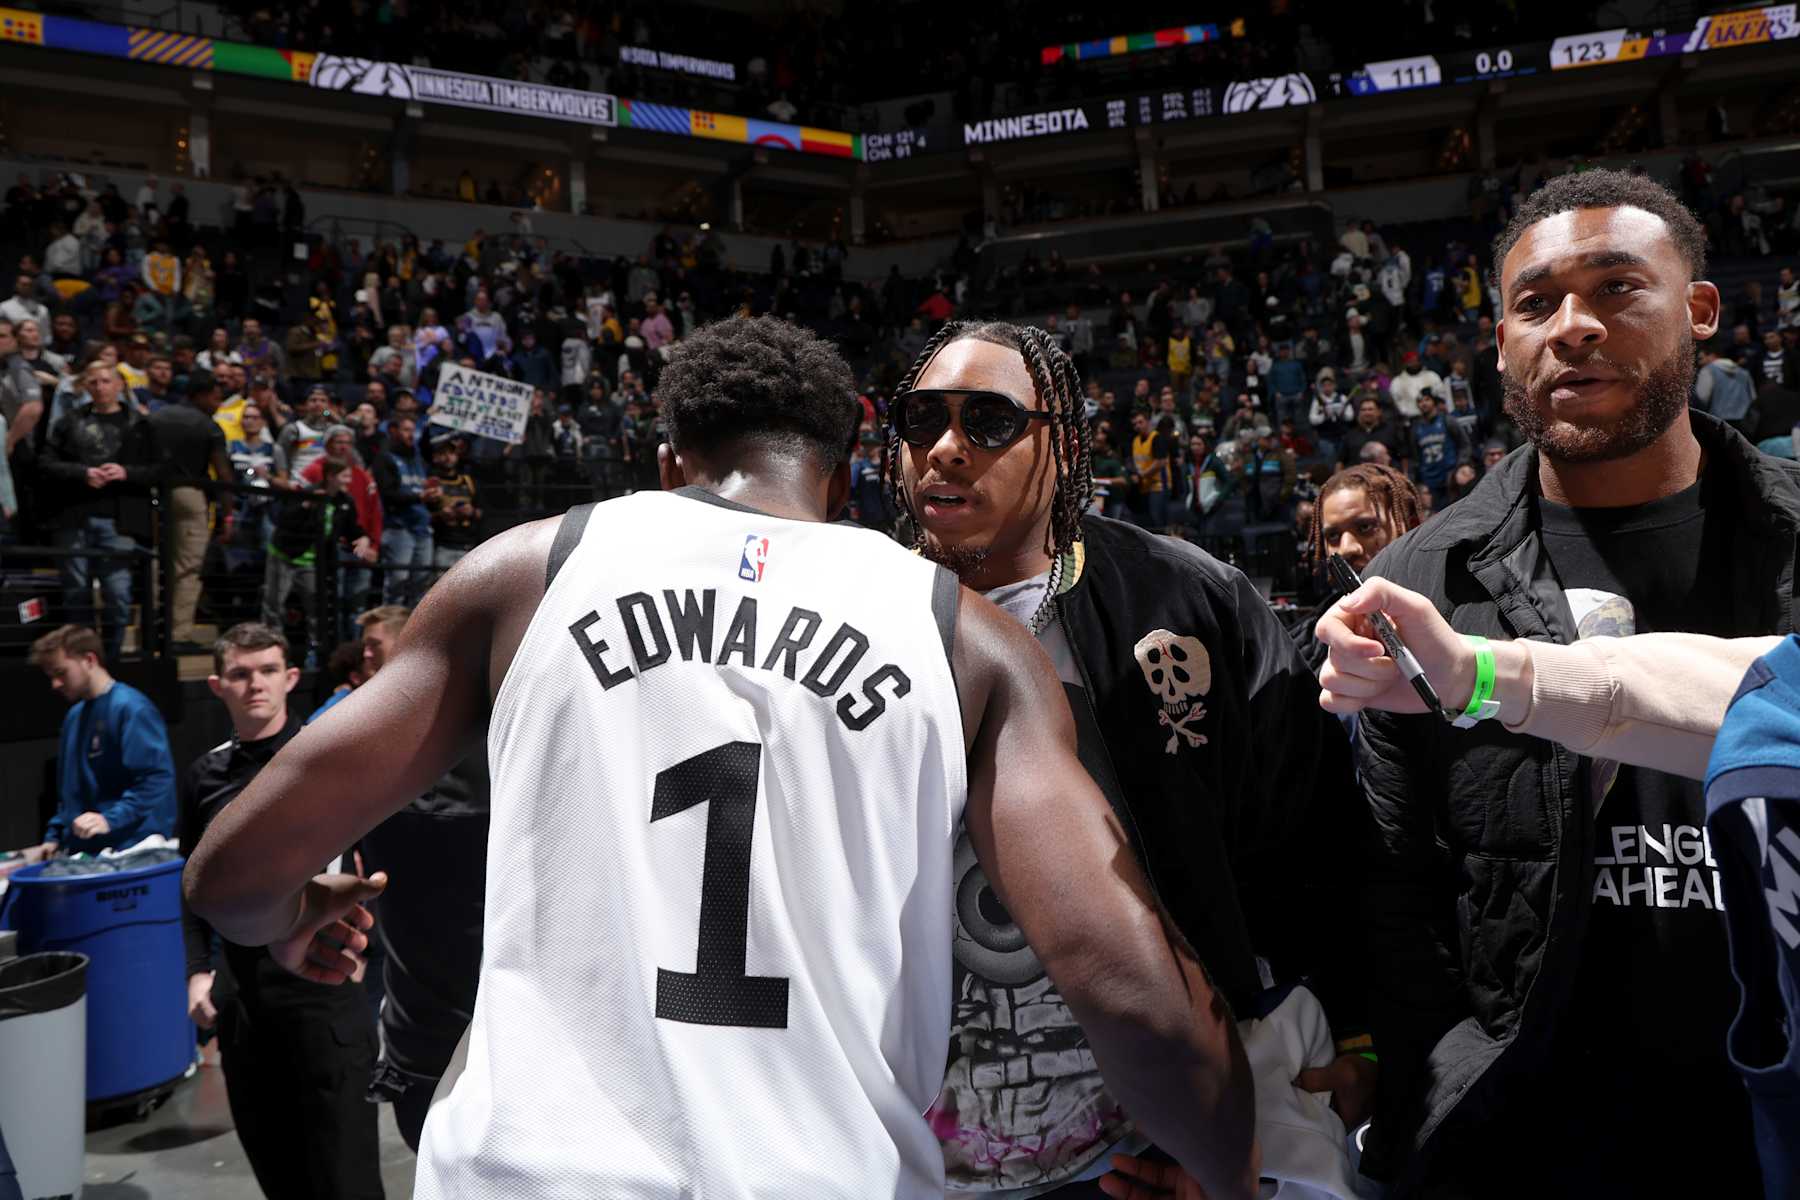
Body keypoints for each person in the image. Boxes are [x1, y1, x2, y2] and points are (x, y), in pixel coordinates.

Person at [183, 315, 1259, 1200]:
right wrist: (1225, 1167)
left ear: (665, 466)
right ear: (843, 488)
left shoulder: (529, 572)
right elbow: (1129, 988)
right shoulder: (961, 635)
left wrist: (289, 919)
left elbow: (231, 876)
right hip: (825, 1175)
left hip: (524, 1178)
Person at [1354, 168, 1798, 1197]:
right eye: (1536, 302)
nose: (1574, 326)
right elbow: (1393, 888)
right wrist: (1446, 1088)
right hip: (1532, 1143)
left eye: (1615, 288)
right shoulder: (1423, 579)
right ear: (1502, 339)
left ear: (1700, 309)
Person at [884, 321, 1366, 1196]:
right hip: (923, 1146)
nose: (945, 449)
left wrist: (1359, 1032)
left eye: (988, 422)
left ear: (1062, 446)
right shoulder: (848, 613)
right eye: (922, 421)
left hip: (1171, 1131)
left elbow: (1314, 833)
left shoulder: (1185, 598)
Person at [178, 623, 384, 1200]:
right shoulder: (204, 776)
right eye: (240, 674)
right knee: (281, 1179)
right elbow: (192, 881)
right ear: (218, 686)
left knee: (347, 1182)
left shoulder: (328, 760)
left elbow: (382, 866)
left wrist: (374, 957)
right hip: (244, 1005)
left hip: (323, 997)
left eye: (268, 670)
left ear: (291, 678)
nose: (255, 685)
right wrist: (198, 969)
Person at [18, 625, 176, 862]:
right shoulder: (74, 716)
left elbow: (156, 778)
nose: (55, 683)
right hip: (88, 852)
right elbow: (70, 791)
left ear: (89, 660)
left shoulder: (131, 708)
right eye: (51, 676)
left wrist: (109, 819)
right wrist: (55, 835)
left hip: (133, 849)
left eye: (61, 673)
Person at [38, 361, 162, 662]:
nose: (100, 387)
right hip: (75, 515)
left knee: (118, 594)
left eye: (106, 381)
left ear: (120, 385)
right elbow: (45, 464)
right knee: (75, 594)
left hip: (120, 520)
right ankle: (83, 662)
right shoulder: (68, 422)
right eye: (93, 382)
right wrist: (82, 473)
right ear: (84, 386)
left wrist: (126, 472)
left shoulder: (140, 423)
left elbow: (160, 470)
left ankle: (112, 657)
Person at [148, 368, 232, 653]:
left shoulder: (156, 417)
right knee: (188, 566)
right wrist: (228, 513)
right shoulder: (209, 426)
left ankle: (151, 623)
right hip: (188, 494)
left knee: (155, 560)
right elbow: (223, 473)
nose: (218, 404)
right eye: (216, 398)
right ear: (203, 395)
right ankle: (178, 634)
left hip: (150, 491)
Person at [262, 458, 377, 663]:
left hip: (312, 563)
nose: (349, 480)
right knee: (275, 606)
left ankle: (314, 654)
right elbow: (284, 520)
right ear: (331, 477)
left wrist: (364, 538)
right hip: (285, 556)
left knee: (316, 607)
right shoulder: (308, 493)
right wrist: (306, 505)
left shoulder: (344, 501)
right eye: (345, 476)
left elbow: (352, 529)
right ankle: (273, 652)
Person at [372, 415, 433, 605]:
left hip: (422, 529)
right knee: (397, 584)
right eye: (406, 430)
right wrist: (419, 496)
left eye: (413, 430)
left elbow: (422, 489)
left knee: (421, 586)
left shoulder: (418, 459)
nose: (411, 435)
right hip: (399, 529)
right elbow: (388, 493)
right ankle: (392, 631)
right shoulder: (385, 458)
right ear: (394, 431)